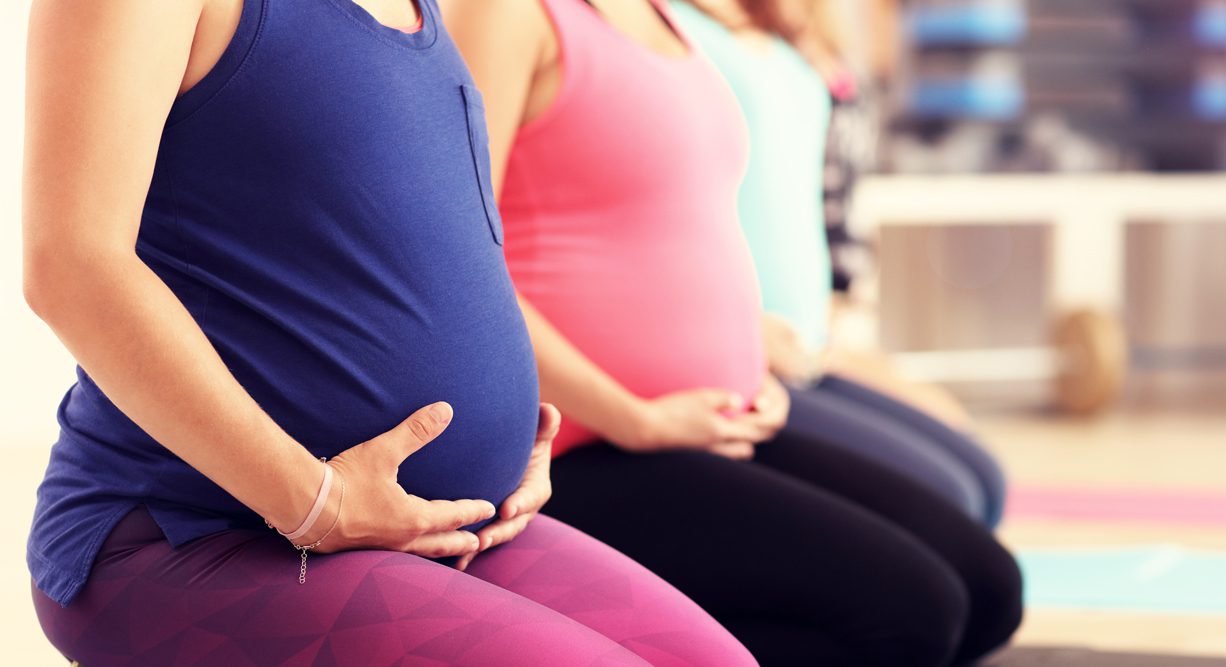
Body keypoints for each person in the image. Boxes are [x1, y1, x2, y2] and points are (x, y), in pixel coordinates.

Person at [21, 1, 753, 665]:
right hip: (197, 530)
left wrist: (499, 434)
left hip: (440, 525)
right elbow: (72, 266)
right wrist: (317, 501)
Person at [443, 1, 1024, 665]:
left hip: (714, 420)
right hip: (584, 445)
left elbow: (676, 227)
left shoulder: (669, 18)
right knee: (910, 613)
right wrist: (633, 419)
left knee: (988, 587)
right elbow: (459, 263)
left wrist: (750, 367)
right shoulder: (513, 13)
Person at [672, 0, 1010, 528]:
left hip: (810, 348)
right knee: (953, 499)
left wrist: (835, 323)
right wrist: (730, 328)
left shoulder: (791, 29)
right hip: (738, 352)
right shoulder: (666, 25)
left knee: (983, 477)